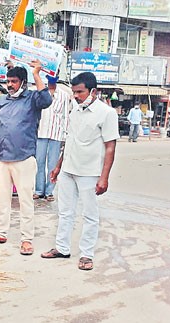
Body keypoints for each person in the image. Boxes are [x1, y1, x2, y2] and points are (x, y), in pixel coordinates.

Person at [41, 72, 118, 271]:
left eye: (80, 92)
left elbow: (110, 147)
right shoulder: (75, 110)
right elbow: (69, 140)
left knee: (90, 215)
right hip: (68, 169)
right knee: (65, 212)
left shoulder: (107, 113)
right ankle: (62, 248)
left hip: (90, 172)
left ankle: (86, 255)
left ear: (93, 91)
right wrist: (58, 166)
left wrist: (104, 178)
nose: (75, 96)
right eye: (74, 92)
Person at [0, 60, 52, 256]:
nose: (10, 85)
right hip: (2, 158)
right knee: (2, 199)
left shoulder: (32, 99)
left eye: (14, 81)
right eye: (8, 81)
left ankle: (26, 239)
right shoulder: (2, 101)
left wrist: (37, 74)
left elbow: (46, 100)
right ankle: (1, 233)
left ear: (23, 82)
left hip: (24, 158)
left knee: (25, 200)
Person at [34, 75, 72, 202]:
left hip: (56, 134)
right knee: (39, 163)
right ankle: (39, 190)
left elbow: (65, 116)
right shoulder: (40, 93)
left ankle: (49, 191)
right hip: (41, 133)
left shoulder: (64, 95)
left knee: (52, 164)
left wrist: (65, 136)